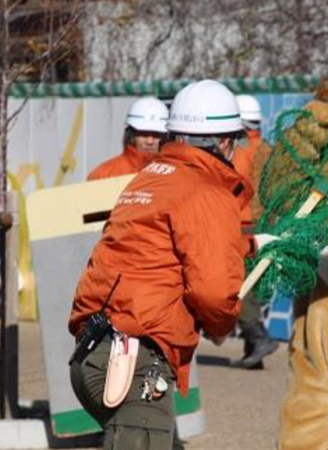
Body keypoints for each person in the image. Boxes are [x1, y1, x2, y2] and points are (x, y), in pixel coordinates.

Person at [68, 80, 274, 450]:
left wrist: (251, 244)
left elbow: (162, 251)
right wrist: (223, 324)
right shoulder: (208, 190)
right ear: (225, 141)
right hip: (133, 362)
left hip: (93, 354)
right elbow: (212, 290)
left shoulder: (150, 178)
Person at [230, 94, 279, 369]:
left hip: (241, 226)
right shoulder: (268, 150)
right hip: (266, 227)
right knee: (253, 283)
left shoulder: (238, 151)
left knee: (238, 287)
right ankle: (253, 354)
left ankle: (258, 338)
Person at [87, 96, 168, 181]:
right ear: (131, 134)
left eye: (157, 135)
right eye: (143, 133)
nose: (149, 141)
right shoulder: (103, 174)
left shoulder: (175, 175)